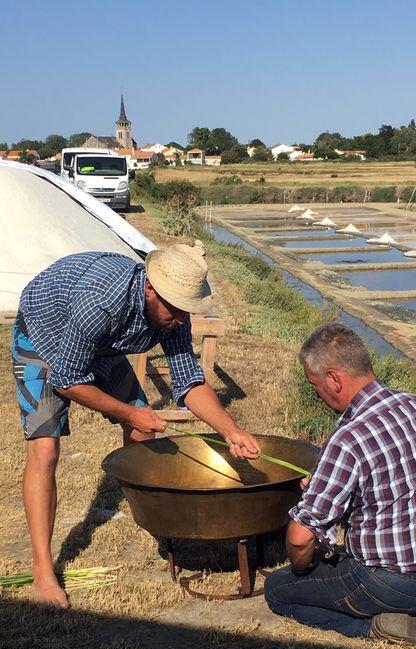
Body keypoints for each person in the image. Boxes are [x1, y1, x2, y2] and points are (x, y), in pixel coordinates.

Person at [12, 244, 261, 610]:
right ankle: (42, 570)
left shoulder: (174, 314)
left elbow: (189, 383)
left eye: (185, 309)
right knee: (45, 448)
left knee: (145, 429)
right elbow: (67, 379)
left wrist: (230, 429)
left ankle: (144, 514)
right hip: (42, 336)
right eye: (174, 308)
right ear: (150, 289)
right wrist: (128, 413)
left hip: (100, 347)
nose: (180, 318)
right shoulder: (101, 302)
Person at [265, 323, 416, 647]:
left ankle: (374, 628)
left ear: (334, 379)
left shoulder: (348, 439)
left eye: (316, 385)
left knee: (277, 591)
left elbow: (301, 536)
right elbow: (393, 491)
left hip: (386, 585)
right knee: (414, 584)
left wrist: (303, 565)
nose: (317, 393)